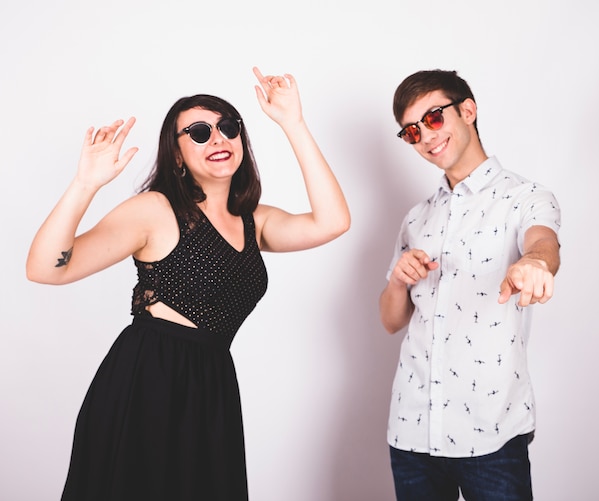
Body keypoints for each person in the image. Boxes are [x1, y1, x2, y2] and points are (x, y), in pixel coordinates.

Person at [26, 66, 350, 501]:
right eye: (198, 133)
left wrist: (293, 124)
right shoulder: (154, 211)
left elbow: (333, 222)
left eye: (227, 128)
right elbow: (46, 269)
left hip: (213, 387)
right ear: (177, 156)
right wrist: (85, 184)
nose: (217, 139)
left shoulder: (255, 221)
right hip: (148, 382)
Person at [379, 69, 561, 501]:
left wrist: (535, 263)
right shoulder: (416, 218)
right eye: (411, 131)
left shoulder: (526, 197)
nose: (425, 136)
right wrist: (399, 282)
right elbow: (390, 321)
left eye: (434, 118)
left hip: (492, 431)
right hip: (412, 429)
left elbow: (543, 243)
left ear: (468, 110)